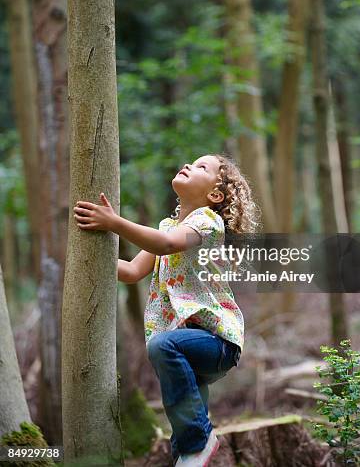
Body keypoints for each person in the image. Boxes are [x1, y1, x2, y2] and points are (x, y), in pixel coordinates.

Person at [73, 153, 260, 466]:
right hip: (187, 346)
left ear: (214, 195)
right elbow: (133, 271)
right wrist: (83, 259)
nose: (187, 165)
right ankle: (189, 451)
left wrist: (114, 222)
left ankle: (201, 440)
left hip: (216, 341)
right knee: (183, 438)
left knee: (163, 346)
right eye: (190, 162)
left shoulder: (206, 223)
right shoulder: (169, 226)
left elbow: (166, 245)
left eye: (201, 167)